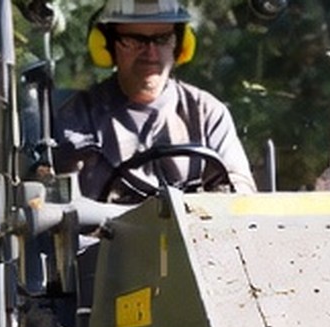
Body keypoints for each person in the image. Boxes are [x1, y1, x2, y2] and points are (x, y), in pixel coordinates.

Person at [55, 0, 257, 202]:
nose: (150, 53)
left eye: (162, 39)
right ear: (107, 46)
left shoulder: (207, 114)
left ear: (180, 44)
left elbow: (241, 201)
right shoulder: (78, 118)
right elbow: (63, 209)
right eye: (135, 40)